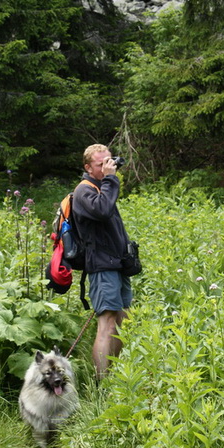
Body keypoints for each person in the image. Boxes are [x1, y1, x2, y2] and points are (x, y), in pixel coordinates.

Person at [72, 144, 132, 380]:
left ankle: (114, 375)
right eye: (101, 164)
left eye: (110, 161)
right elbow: (104, 210)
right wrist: (110, 180)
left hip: (117, 264)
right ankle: (101, 383)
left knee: (121, 320)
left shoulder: (102, 186)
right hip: (101, 266)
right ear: (88, 167)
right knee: (106, 323)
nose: (109, 167)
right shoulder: (84, 192)